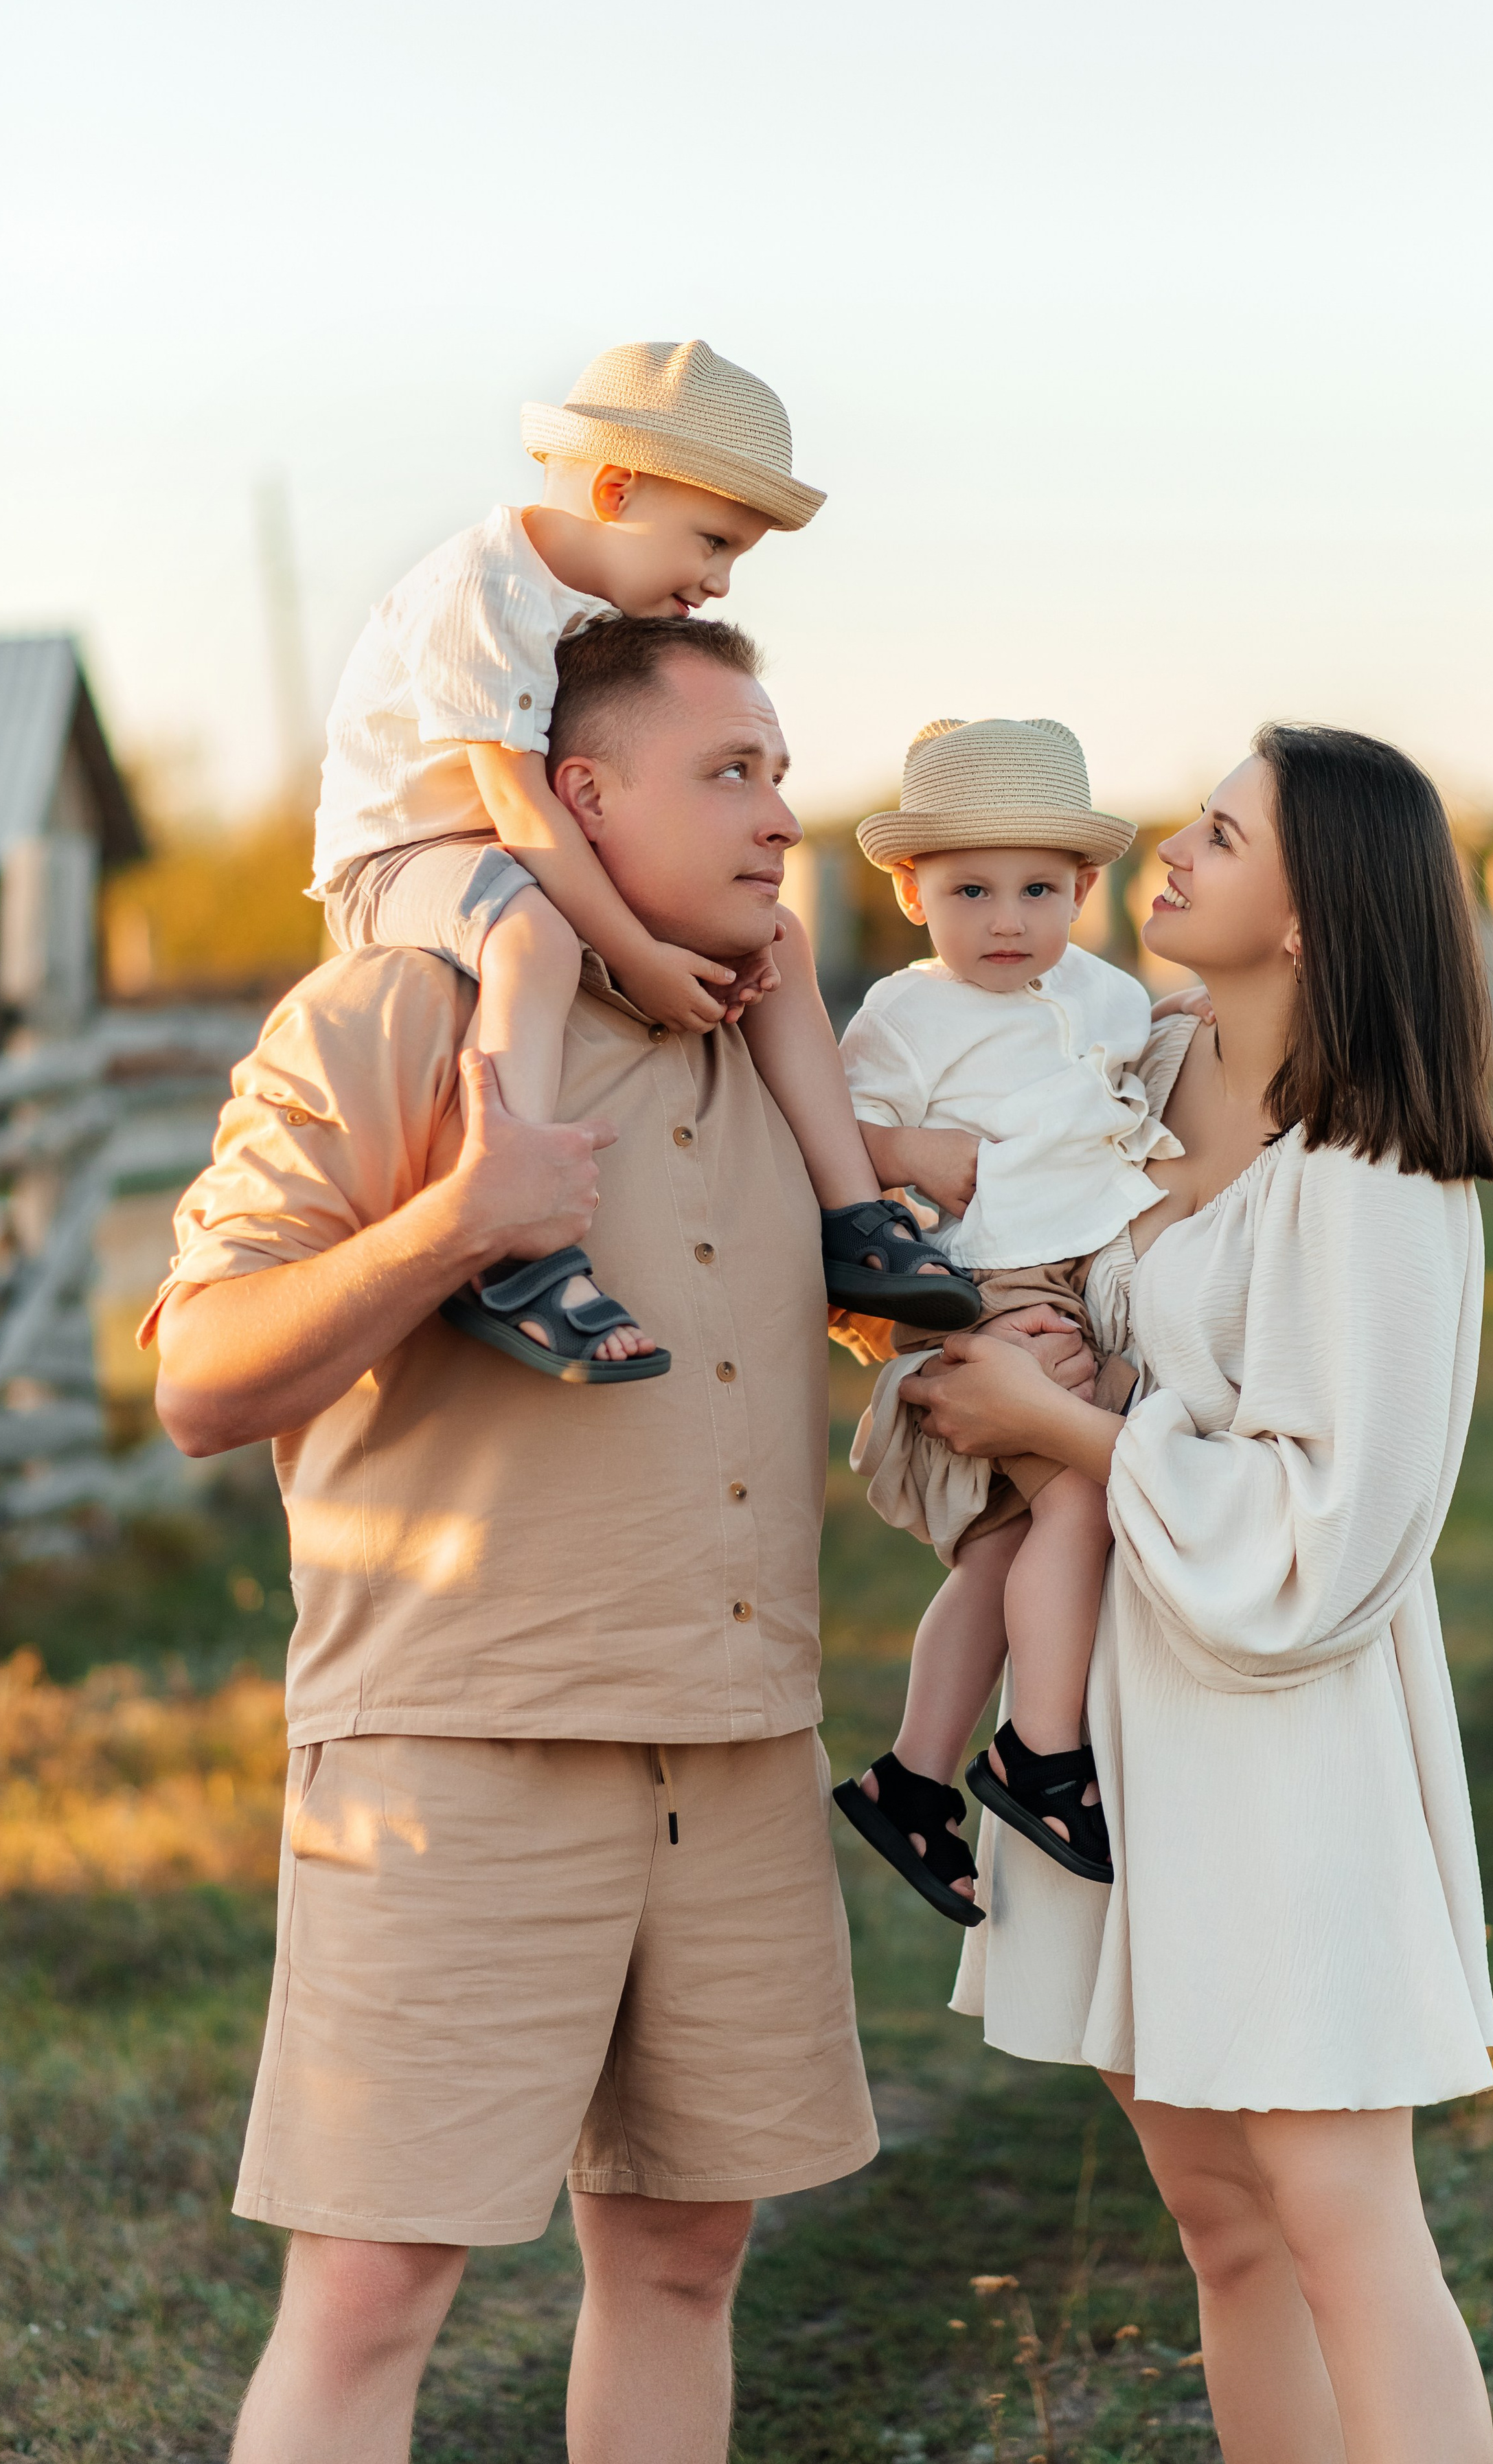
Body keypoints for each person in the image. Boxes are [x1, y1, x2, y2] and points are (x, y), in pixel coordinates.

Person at [149, 614, 883, 2464]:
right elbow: (201, 1377)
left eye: (783, 773)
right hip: (457, 1747)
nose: (779, 814)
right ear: (578, 794)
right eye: (732, 770)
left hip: (736, 1743)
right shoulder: (392, 1013)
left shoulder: (779, 1063)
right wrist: (459, 1223)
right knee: (376, 2290)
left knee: (688, 2254)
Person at [898, 725, 1493, 2464]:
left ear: (1313, 912)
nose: (1169, 845)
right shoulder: (1134, 1069)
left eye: (1220, 831)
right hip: (1112, 1721)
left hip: (1277, 1744)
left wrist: (1066, 1433)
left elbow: (1342, 1525)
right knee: (1222, 2231)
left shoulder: (1377, 1172)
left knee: (1338, 2225)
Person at [310, 337, 972, 1381]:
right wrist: (643, 958)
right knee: (530, 939)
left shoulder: (598, 610)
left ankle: (854, 1216)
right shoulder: (483, 591)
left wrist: (704, 930)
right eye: (711, 542)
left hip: (518, 844)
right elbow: (522, 805)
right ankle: (518, 1242)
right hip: (404, 856)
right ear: (615, 488)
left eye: (734, 558)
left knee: (782, 935)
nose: (716, 580)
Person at [823, 715, 1202, 1921]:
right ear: (909, 885)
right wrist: (903, 1147)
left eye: (1040, 890)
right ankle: (1040, 1755)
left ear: (1087, 888)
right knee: (1084, 1500)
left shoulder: (1109, 998)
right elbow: (821, 1145)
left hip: (1085, 1282)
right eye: (970, 889)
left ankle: (913, 1780)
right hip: (983, 1290)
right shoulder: (902, 1014)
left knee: (1003, 1549)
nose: (1005, 921)